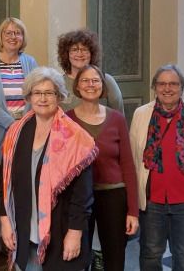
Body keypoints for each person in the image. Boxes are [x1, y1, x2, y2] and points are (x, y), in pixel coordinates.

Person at [0, 66, 96, 271]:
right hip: (24, 231)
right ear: (29, 97)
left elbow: (83, 195)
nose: (43, 98)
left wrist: (75, 232)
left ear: (59, 96)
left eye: (49, 93)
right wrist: (5, 221)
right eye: (37, 93)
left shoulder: (76, 137)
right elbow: (4, 182)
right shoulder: (16, 132)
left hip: (61, 233)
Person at [128, 64, 184, 271]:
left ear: (182, 88)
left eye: (173, 84)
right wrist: (131, 202)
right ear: (155, 87)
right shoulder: (141, 115)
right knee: (150, 254)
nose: (167, 89)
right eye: (162, 84)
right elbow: (133, 160)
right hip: (152, 202)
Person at [0, 17, 39, 270]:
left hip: (26, 134)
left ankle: (18, 243)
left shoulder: (30, 62)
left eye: (18, 33)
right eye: (8, 33)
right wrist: (11, 123)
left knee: (24, 188)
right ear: (0, 36)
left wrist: (23, 122)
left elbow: (35, 94)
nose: (13, 37)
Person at [65, 65, 139, 271]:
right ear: (77, 86)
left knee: (114, 257)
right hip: (78, 199)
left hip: (113, 195)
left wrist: (132, 211)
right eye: (85, 80)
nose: (91, 85)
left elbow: (128, 166)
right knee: (78, 256)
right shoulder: (67, 120)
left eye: (95, 80)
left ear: (103, 86)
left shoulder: (117, 119)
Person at [56, 29, 124, 113]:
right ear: (66, 54)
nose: (80, 54)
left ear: (92, 53)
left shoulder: (107, 81)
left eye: (84, 49)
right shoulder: (58, 83)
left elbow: (118, 116)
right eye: (74, 50)